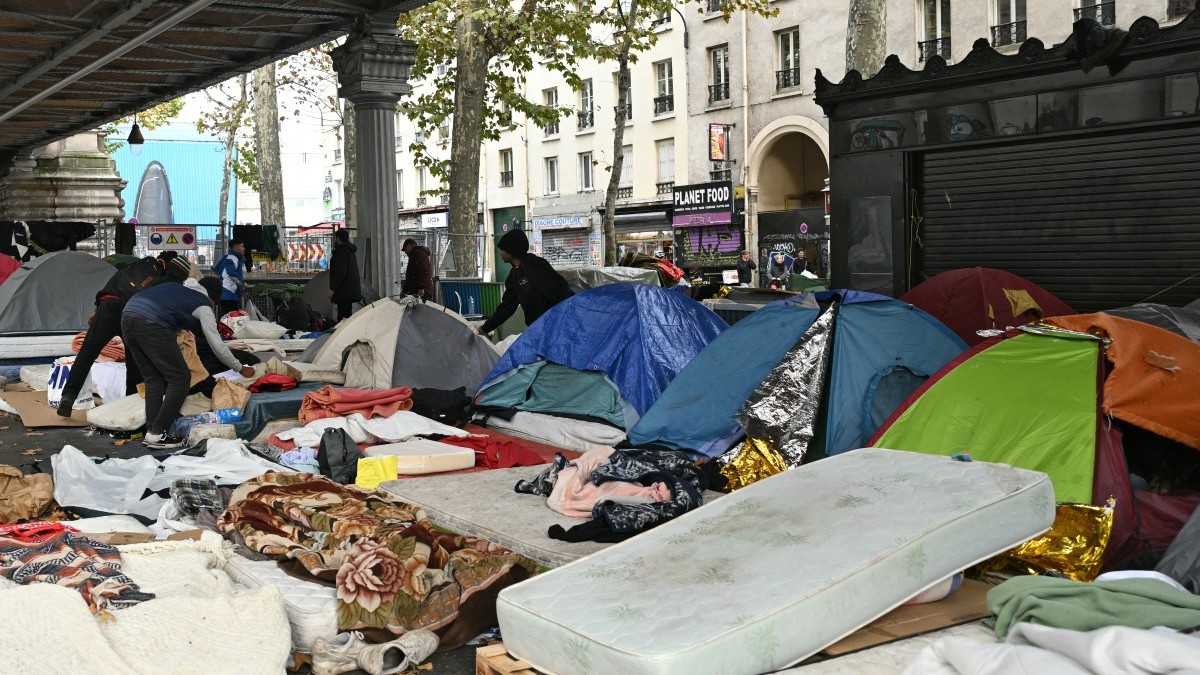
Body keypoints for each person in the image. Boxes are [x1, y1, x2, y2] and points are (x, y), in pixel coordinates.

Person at [122, 261, 255, 449]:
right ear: (212, 299)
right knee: (180, 377)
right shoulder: (203, 305)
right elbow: (216, 344)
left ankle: (152, 433)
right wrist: (240, 368)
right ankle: (159, 431)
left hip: (128, 315)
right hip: (151, 322)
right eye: (215, 303)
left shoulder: (177, 289)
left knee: (153, 379)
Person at [56, 252, 182, 418]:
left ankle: (69, 395)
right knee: (135, 361)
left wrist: (97, 308)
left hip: (108, 305)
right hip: (132, 313)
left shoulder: (139, 265)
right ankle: (130, 404)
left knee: (88, 352)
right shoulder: (166, 279)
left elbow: (114, 282)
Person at [477, 228, 572, 336]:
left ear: (511, 250)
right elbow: (506, 308)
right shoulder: (513, 276)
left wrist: (554, 320)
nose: (500, 253)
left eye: (502, 249)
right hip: (537, 330)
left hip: (557, 327)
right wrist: (485, 328)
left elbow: (562, 289)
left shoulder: (537, 265)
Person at [327, 229, 362, 320]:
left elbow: (340, 272)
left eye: (335, 238)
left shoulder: (341, 252)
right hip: (349, 289)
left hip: (344, 290)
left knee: (342, 317)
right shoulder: (349, 251)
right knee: (346, 314)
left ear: (338, 238)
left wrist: (333, 288)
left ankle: (343, 334)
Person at [213, 238, 247, 317]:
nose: (244, 249)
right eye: (242, 246)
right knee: (230, 320)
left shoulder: (228, 257)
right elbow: (232, 275)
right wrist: (241, 284)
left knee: (227, 318)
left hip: (227, 294)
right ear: (235, 247)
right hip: (229, 293)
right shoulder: (232, 258)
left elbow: (217, 270)